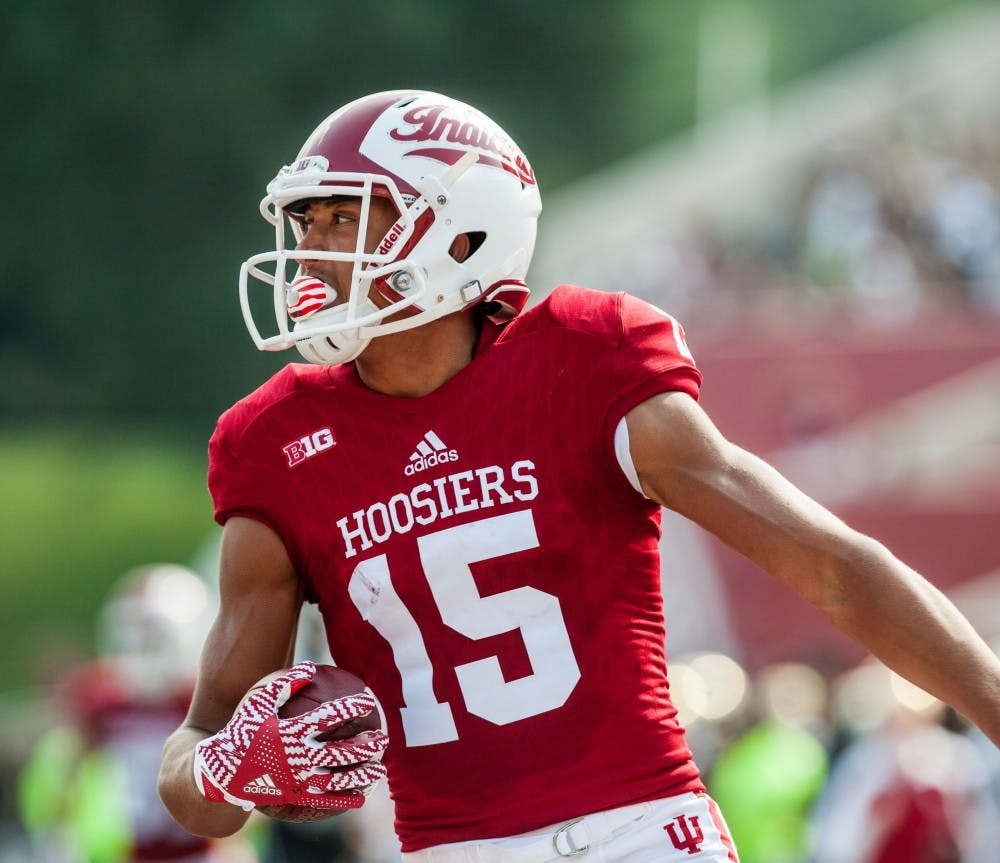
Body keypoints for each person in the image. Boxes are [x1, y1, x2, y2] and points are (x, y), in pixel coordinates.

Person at [157, 89, 1000, 863]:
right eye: (306, 223)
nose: (311, 252)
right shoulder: (278, 442)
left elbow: (832, 566)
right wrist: (229, 768)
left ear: (458, 231)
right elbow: (198, 773)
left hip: (639, 834)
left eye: (344, 218)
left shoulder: (584, 361)